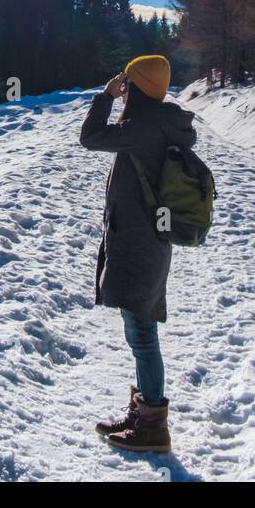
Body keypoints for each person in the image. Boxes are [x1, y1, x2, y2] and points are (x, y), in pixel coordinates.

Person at [79, 53, 197, 453]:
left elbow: (91, 137)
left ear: (138, 86)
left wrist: (106, 96)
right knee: (140, 330)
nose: (123, 87)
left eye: (128, 82)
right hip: (147, 242)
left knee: (143, 334)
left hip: (139, 245)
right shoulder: (160, 123)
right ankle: (143, 411)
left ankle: (152, 427)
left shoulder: (142, 126)